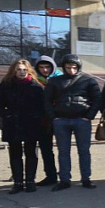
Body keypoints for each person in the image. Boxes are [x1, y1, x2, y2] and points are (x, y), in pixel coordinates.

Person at [44, 54, 102, 191]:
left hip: (82, 119)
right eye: (68, 67)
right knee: (63, 151)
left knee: (84, 151)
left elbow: (98, 99)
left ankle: (86, 179)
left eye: (74, 67)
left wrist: (89, 116)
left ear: (79, 67)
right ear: (63, 67)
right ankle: (64, 180)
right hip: (61, 120)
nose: (71, 70)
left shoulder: (88, 81)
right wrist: (53, 118)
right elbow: (46, 100)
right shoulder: (54, 81)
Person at [0, 59, 46, 194]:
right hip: (13, 123)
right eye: (19, 70)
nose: (21, 72)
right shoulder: (5, 85)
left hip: (31, 123)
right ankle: (18, 182)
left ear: (29, 71)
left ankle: (30, 181)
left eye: (24, 70)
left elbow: (42, 105)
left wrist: (37, 117)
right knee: (15, 153)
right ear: (14, 71)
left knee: (31, 152)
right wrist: (6, 115)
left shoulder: (36, 86)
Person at [33, 55, 61, 186]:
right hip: (42, 119)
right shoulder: (34, 81)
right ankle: (50, 175)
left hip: (60, 116)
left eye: (48, 67)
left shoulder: (60, 78)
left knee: (63, 148)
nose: (45, 70)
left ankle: (65, 174)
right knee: (46, 148)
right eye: (42, 67)